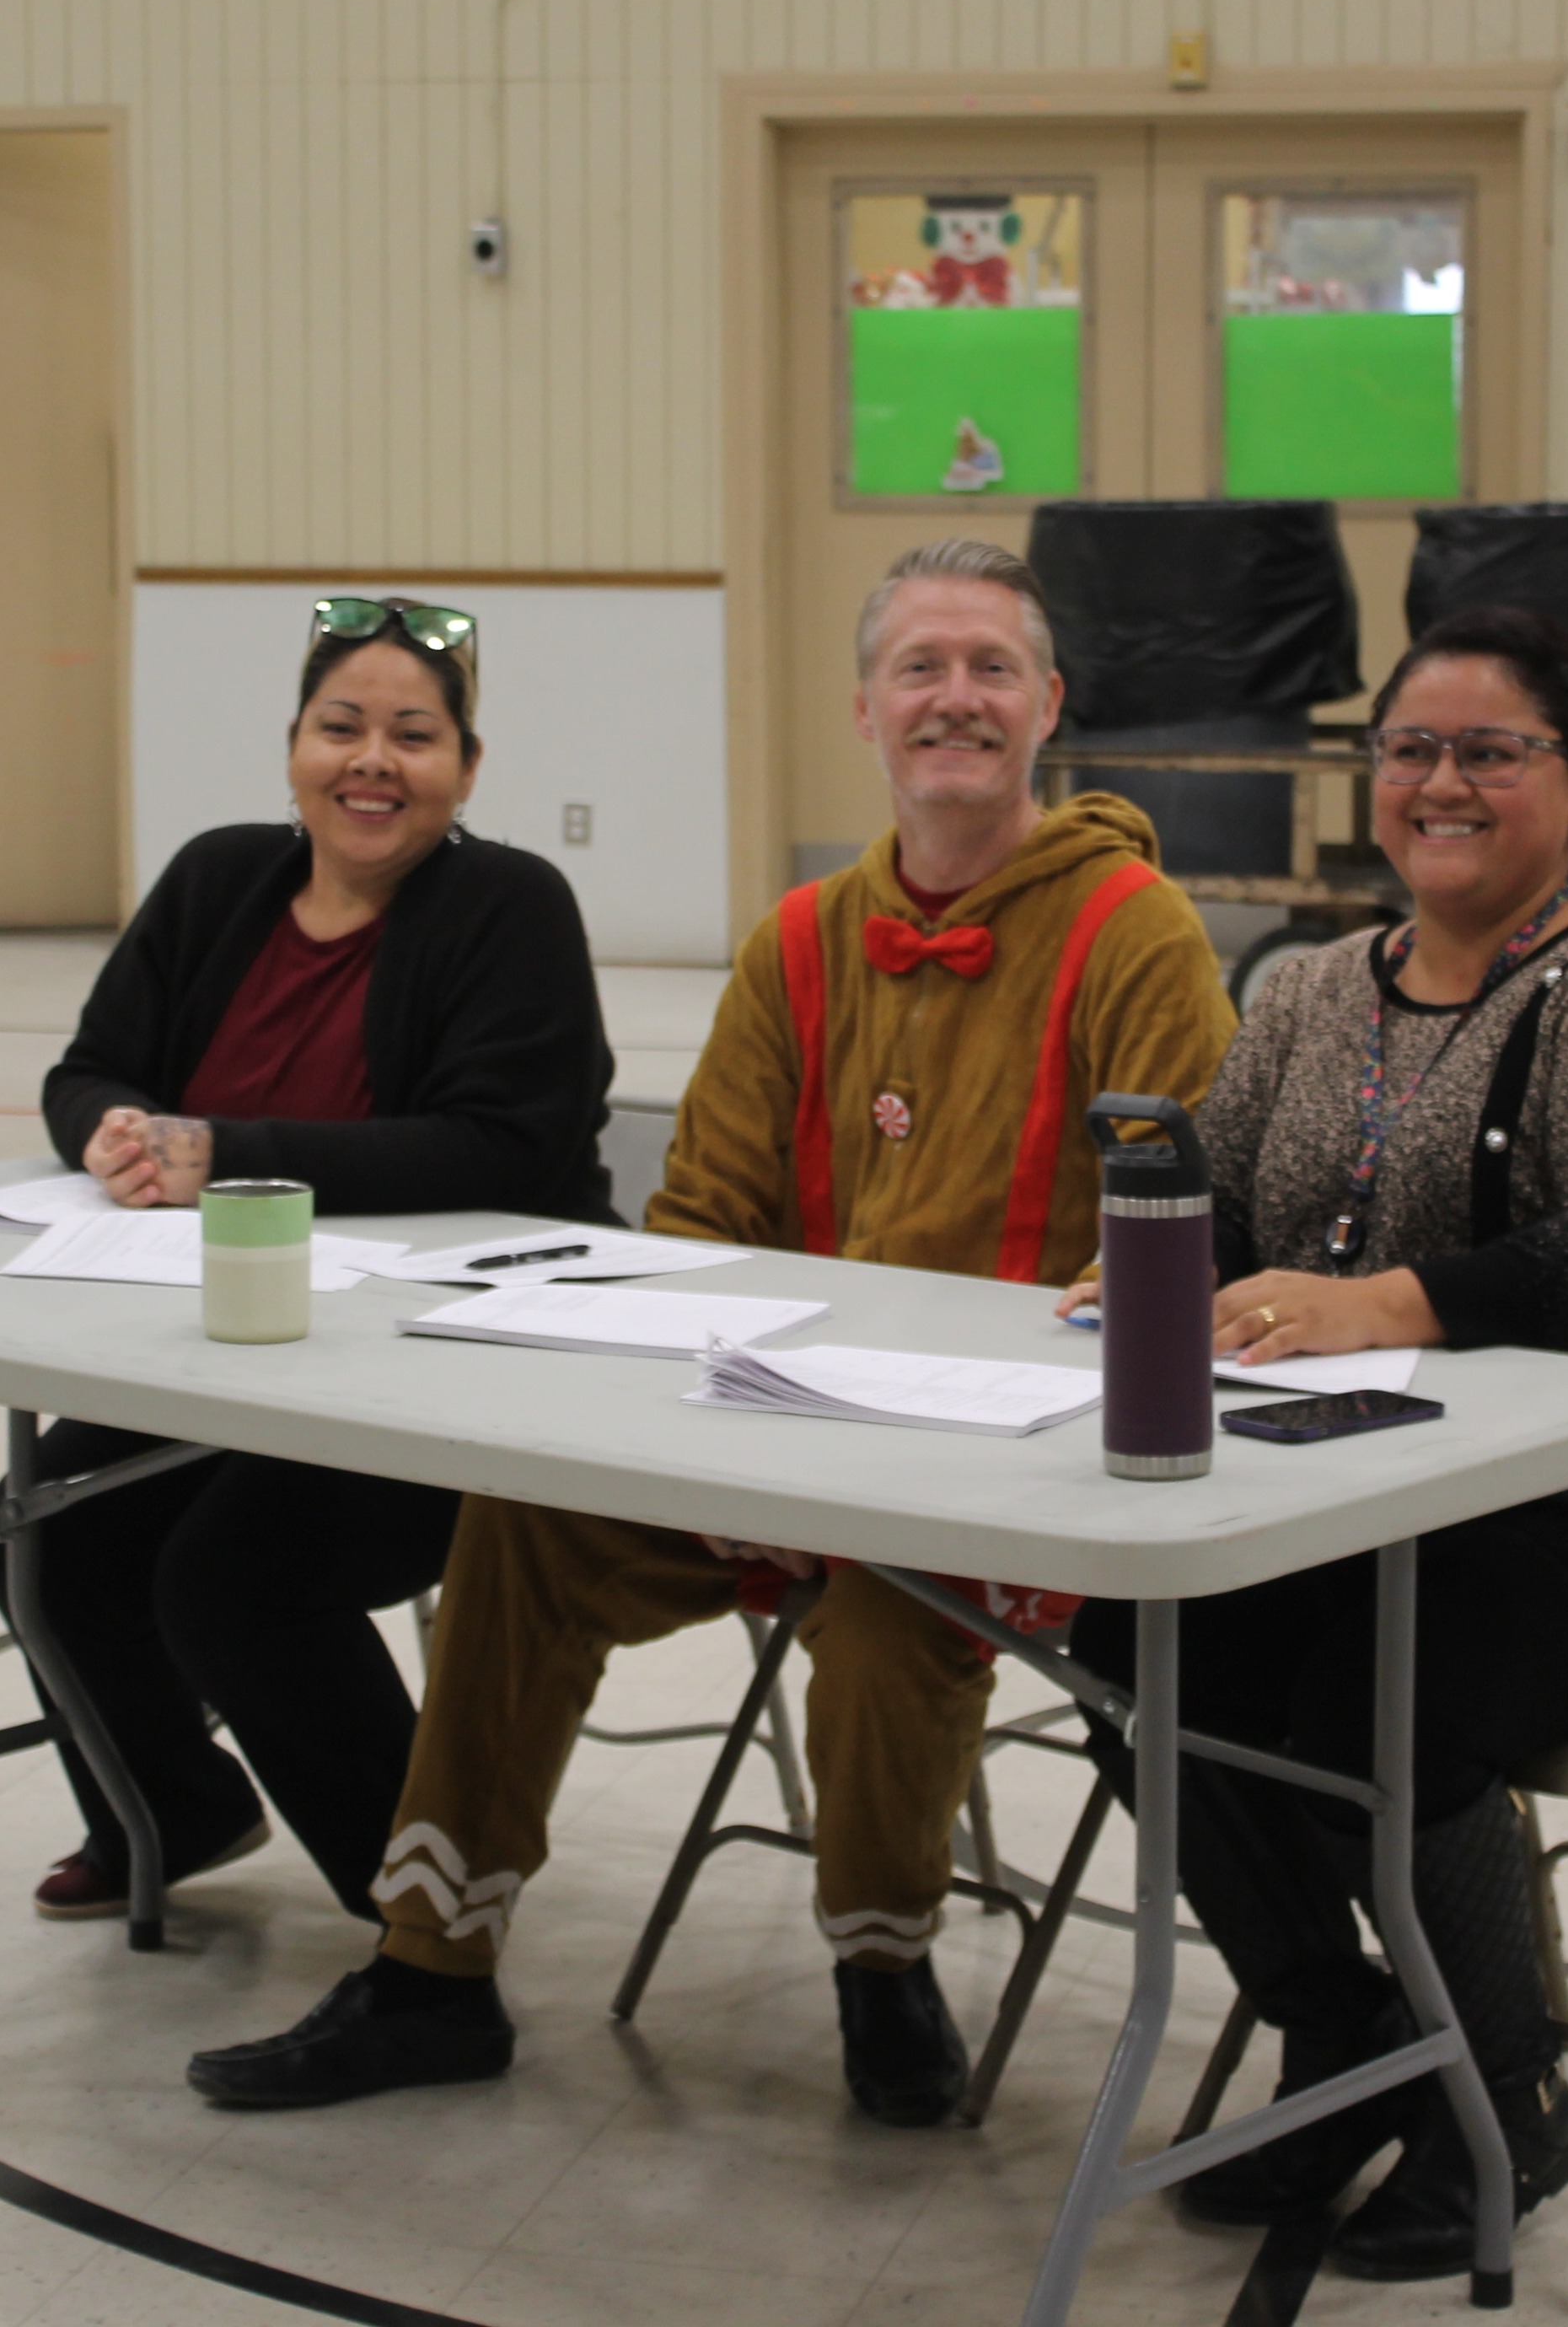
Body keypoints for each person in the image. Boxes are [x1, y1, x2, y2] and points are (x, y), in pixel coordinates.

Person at [185, 538, 1237, 2126]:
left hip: (998, 1479)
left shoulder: (1136, 932)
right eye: (920, 669)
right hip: (764, 1434)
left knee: (894, 1627)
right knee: (524, 1521)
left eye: (991, 669)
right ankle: (430, 1968)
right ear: (867, 710)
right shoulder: (799, 940)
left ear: (1048, 708)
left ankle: (882, 1967)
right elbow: (699, 1226)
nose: (955, 699)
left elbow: (1174, 1230)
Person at [1061, 609, 1568, 2282]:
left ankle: (1505, 2089)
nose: (1441, 780)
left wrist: (1385, 1302)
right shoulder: (1311, 984)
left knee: (1376, 1695)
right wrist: (1156, 1255)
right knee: (1136, 1645)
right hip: (1392, 1496)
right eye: (1410, 747)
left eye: (1492, 750)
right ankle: (1338, 2033)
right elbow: (1240, 1201)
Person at [0, 594, 620, 1927]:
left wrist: (232, 1154)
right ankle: (170, 1807)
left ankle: (423, 1926)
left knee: (228, 1580)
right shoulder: (223, 879)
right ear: (293, 748)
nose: (372, 762)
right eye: (342, 727)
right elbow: (93, 1063)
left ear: (467, 766)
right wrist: (106, 1132)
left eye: (414, 734)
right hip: (237, 1344)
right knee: (46, 1533)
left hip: (445, 1364)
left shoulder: (509, 906)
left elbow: (501, 1149)